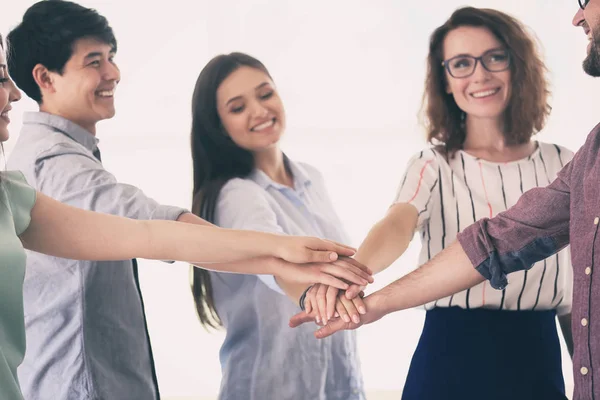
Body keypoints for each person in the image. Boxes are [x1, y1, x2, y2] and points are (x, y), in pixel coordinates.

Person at [3, 2, 371, 399]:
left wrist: (289, 261)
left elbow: (148, 232)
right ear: (46, 78)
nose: (114, 73)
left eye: (111, 57)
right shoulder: (54, 164)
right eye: (94, 61)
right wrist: (285, 257)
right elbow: (154, 231)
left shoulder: (56, 160)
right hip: (81, 384)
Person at [300, 2, 600, 400]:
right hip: (450, 359)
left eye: (495, 57)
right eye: (461, 63)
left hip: (537, 361)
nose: (480, 74)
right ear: (444, 80)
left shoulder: (567, 161)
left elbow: (580, 285)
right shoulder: (432, 165)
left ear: (518, 65)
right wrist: (355, 273)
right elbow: (397, 225)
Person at [189, 52, 369, 400]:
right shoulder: (236, 194)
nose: (259, 110)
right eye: (238, 107)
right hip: (272, 387)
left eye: (265, 93)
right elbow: (275, 264)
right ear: (218, 125)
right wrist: (311, 293)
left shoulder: (309, 177)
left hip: (338, 383)